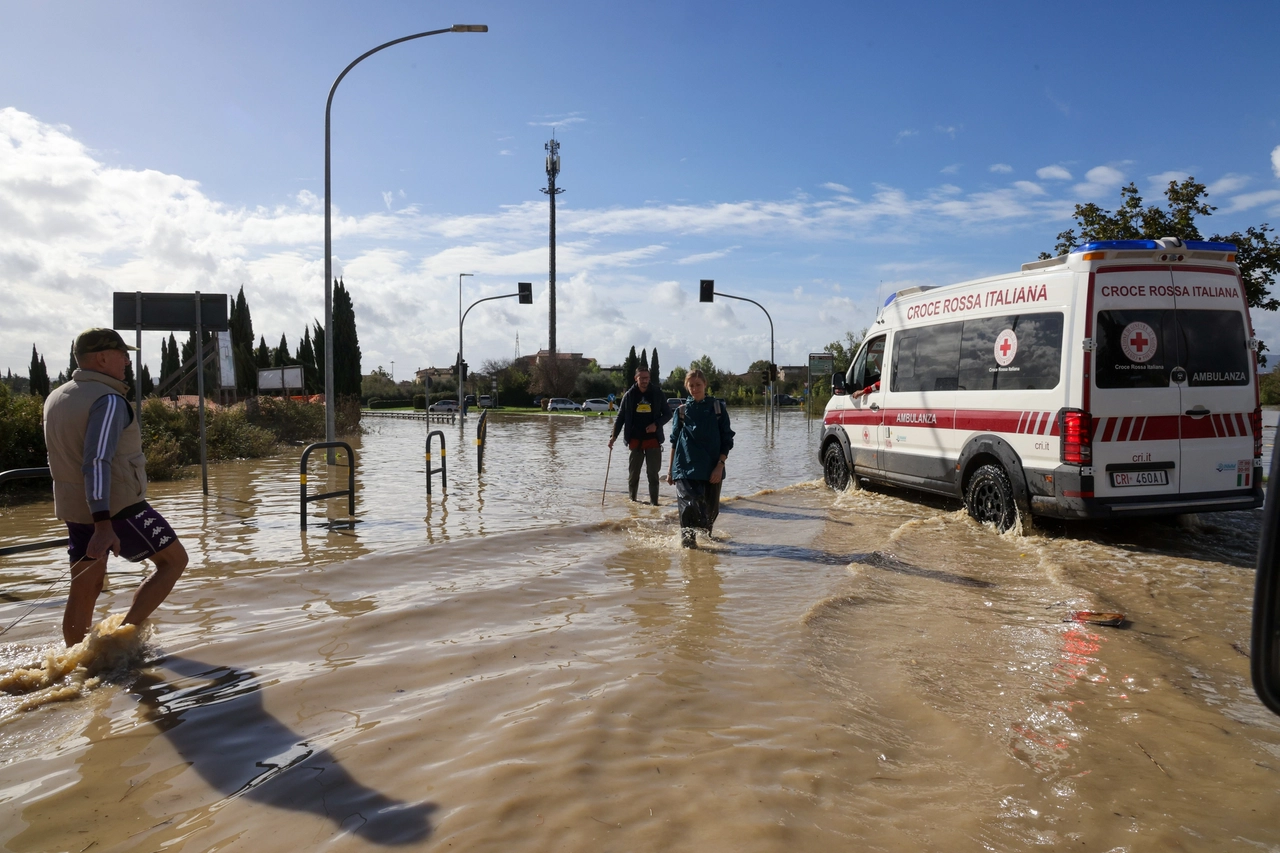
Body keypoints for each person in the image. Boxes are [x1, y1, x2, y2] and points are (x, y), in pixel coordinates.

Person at [43, 328, 189, 646]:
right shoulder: (108, 400)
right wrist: (104, 525)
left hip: (75, 509)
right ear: (103, 357)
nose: (127, 361)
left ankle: (77, 663)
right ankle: (118, 639)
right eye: (122, 354)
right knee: (174, 561)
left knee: (85, 588)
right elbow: (96, 461)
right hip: (116, 508)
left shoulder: (57, 396)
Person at [666, 369, 735, 548]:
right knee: (689, 506)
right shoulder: (681, 412)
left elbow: (727, 439)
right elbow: (673, 442)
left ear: (705, 385)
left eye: (698, 385)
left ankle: (706, 562)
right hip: (684, 468)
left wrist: (720, 465)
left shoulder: (717, 409)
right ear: (686, 387)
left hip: (712, 468)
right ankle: (688, 552)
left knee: (708, 516)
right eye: (691, 385)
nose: (695, 389)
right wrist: (670, 471)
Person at [608, 366, 672, 505]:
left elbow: (668, 414)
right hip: (634, 440)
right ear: (635, 378)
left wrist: (656, 424)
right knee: (633, 475)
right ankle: (633, 503)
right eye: (642, 378)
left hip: (653, 440)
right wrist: (613, 437)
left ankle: (655, 504)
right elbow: (620, 418)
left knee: (653, 476)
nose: (644, 381)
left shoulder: (657, 393)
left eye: (647, 378)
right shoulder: (629, 395)